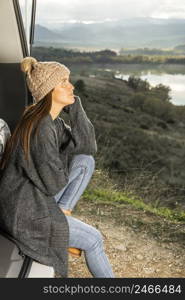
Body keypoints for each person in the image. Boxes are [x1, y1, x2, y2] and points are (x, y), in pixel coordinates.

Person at [0, 57, 114, 278]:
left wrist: (76, 107)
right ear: (48, 91)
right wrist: (63, 167)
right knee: (94, 240)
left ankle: (62, 211)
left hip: (36, 198)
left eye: (69, 80)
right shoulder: (40, 127)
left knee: (85, 160)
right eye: (63, 82)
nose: (71, 86)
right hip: (23, 213)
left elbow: (87, 147)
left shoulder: (53, 123)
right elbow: (54, 183)